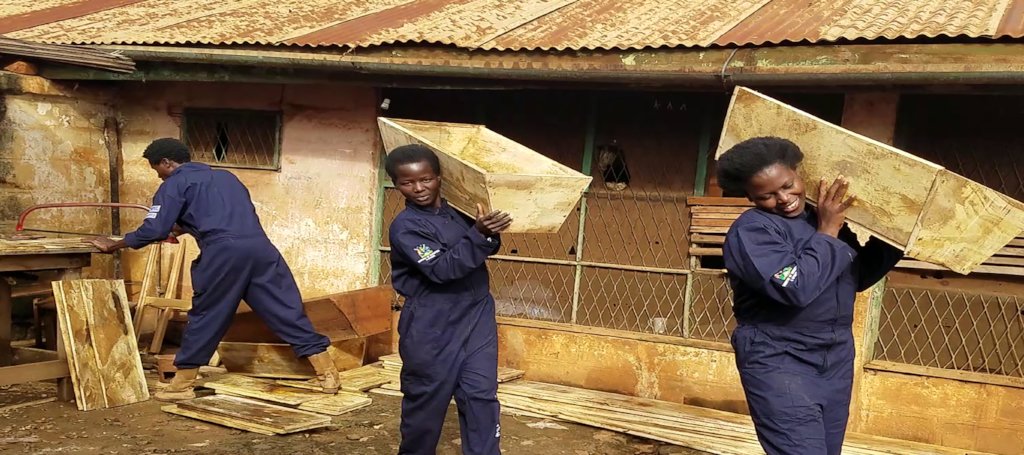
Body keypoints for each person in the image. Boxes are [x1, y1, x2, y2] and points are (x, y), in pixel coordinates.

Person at [88, 138, 340, 402]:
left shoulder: (175, 184)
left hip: (223, 254)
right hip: (261, 250)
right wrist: (186, 227)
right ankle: (328, 374)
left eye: (157, 171)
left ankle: (182, 384)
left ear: (167, 163)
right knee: (285, 311)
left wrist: (114, 244)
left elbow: (155, 229)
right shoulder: (227, 178)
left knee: (207, 315)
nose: (159, 177)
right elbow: (223, 215)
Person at [717, 137, 903, 455]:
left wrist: (894, 239)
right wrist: (829, 229)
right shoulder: (752, 232)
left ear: (798, 174)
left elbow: (853, 278)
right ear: (750, 197)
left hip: (834, 358)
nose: (785, 199)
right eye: (767, 196)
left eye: (789, 185)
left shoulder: (817, 219)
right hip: (779, 359)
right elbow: (796, 287)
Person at [385, 144, 511, 455]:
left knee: (481, 396)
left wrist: (489, 231)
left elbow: (487, 246)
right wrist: (479, 235)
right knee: (426, 405)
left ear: (439, 177)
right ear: (396, 184)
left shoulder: (459, 211)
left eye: (425, 179)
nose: (418, 188)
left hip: (477, 313)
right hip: (432, 322)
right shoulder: (406, 227)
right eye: (407, 182)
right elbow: (443, 269)